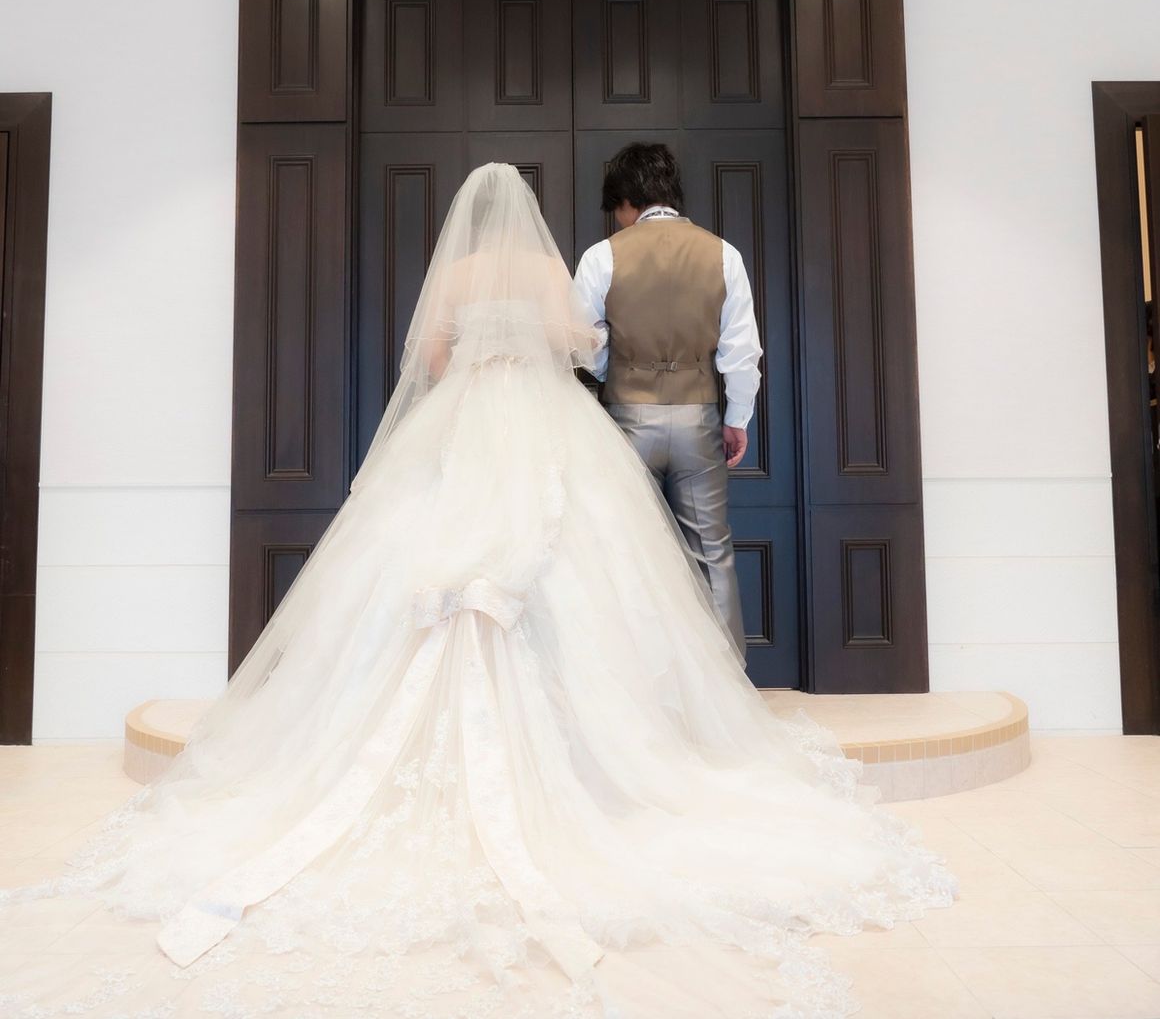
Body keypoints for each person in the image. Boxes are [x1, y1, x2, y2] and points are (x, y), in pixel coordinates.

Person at [0, 164, 955, 1019]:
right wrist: (549, 353)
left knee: (434, 548)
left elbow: (431, 364)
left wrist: (476, 363)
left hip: (463, 423)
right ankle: (666, 718)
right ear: (527, 220)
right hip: (555, 420)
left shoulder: (456, 277)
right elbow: (578, 349)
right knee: (620, 559)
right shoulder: (554, 270)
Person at [574, 144, 757, 658]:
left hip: (627, 419)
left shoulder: (603, 255)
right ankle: (727, 677)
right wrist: (737, 418)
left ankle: (641, 681)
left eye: (616, 208)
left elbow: (581, 342)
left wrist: (616, 370)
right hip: (699, 416)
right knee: (712, 551)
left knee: (628, 551)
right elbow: (742, 351)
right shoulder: (723, 254)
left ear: (627, 199)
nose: (618, 218)